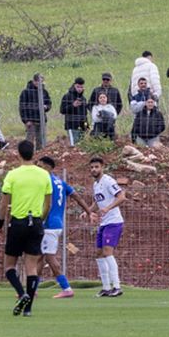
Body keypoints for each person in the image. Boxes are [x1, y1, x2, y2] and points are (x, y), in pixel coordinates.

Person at [0, 140, 52, 316]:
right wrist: (40, 221)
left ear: (18, 154)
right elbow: (48, 205)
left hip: (18, 223)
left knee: (9, 267)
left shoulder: (12, 175)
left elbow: (4, 204)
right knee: (31, 267)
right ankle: (28, 309)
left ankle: (22, 294)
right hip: (35, 223)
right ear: (34, 153)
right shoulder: (44, 175)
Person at [35, 154, 79, 299]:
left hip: (49, 224)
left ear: (47, 167)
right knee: (40, 257)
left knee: (49, 257)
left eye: (40, 166)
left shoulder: (46, 181)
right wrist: (88, 211)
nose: (38, 168)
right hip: (56, 223)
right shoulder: (60, 182)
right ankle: (32, 289)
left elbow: (47, 204)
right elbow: (75, 195)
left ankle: (66, 288)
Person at [88, 156, 126, 296]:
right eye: (92, 167)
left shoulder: (108, 181)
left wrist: (108, 208)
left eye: (96, 167)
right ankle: (106, 287)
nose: (94, 169)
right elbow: (97, 202)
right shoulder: (96, 184)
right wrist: (88, 211)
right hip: (104, 222)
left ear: (102, 167)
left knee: (107, 252)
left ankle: (116, 286)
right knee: (98, 253)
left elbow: (121, 196)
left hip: (114, 222)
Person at [15, 73, 51, 147]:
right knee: (29, 140)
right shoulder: (25, 92)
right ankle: (28, 154)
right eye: (38, 81)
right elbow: (22, 108)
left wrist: (46, 107)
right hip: (30, 121)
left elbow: (49, 103)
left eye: (42, 81)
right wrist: (26, 120)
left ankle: (40, 154)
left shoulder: (44, 92)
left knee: (41, 140)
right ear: (34, 81)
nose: (40, 83)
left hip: (41, 121)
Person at [60, 77, 89, 146]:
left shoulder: (83, 98)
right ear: (74, 86)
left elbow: (85, 113)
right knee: (74, 145)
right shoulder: (67, 96)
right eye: (78, 87)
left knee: (81, 145)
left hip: (82, 125)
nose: (79, 89)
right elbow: (62, 110)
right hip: (71, 125)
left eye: (81, 87)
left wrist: (86, 124)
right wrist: (72, 106)